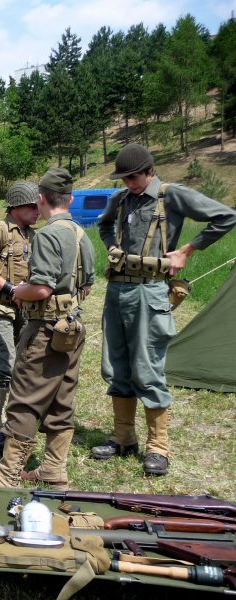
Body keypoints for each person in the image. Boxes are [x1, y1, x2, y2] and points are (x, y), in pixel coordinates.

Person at [92, 143, 236, 476]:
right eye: (124, 178)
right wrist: (112, 247)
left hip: (150, 290)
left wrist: (186, 250)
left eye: (133, 177)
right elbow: (103, 225)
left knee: (148, 367)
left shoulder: (172, 195)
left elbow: (227, 216)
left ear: (149, 171)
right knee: (116, 365)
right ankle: (123, 438)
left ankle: (158, 447)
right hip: (117, 289)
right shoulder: (121, 199)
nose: (128, 183)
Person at [0, 168, 95, 490]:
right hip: (72, 328)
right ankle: (53, 471)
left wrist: (20, 291)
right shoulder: (80, 233)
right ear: (70, 199)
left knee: (23, 400)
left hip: (45, 329)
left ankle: (7, 476)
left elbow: (42, 288)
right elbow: (87, 285)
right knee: (61, 400)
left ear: (42, 198)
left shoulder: (48, 234)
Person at [0, 181, 39, 453]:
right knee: (5, 366)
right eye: (33, 206)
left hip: (24, 310)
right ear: (17, 206)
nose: (38, 211)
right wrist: (11, 289)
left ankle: (13, 420)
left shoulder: (32, 235)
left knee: (22, 366)